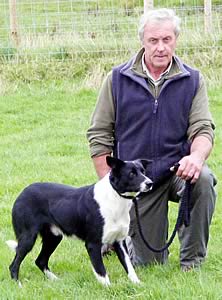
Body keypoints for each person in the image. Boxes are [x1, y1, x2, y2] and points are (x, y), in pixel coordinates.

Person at [86, 8, 217, 271]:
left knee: (203, 177)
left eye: (166, 39)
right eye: (153, 40)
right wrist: (111, 187)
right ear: (142, 41)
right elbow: (99, 134)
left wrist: (196, 157)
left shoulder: (192, 80)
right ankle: (116, 241)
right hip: (137, 179)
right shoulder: (117, 79)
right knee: (149, 264)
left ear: (175, 40)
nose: (160, 47)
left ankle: (192, 264)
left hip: (176, 170)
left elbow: (203, 128)